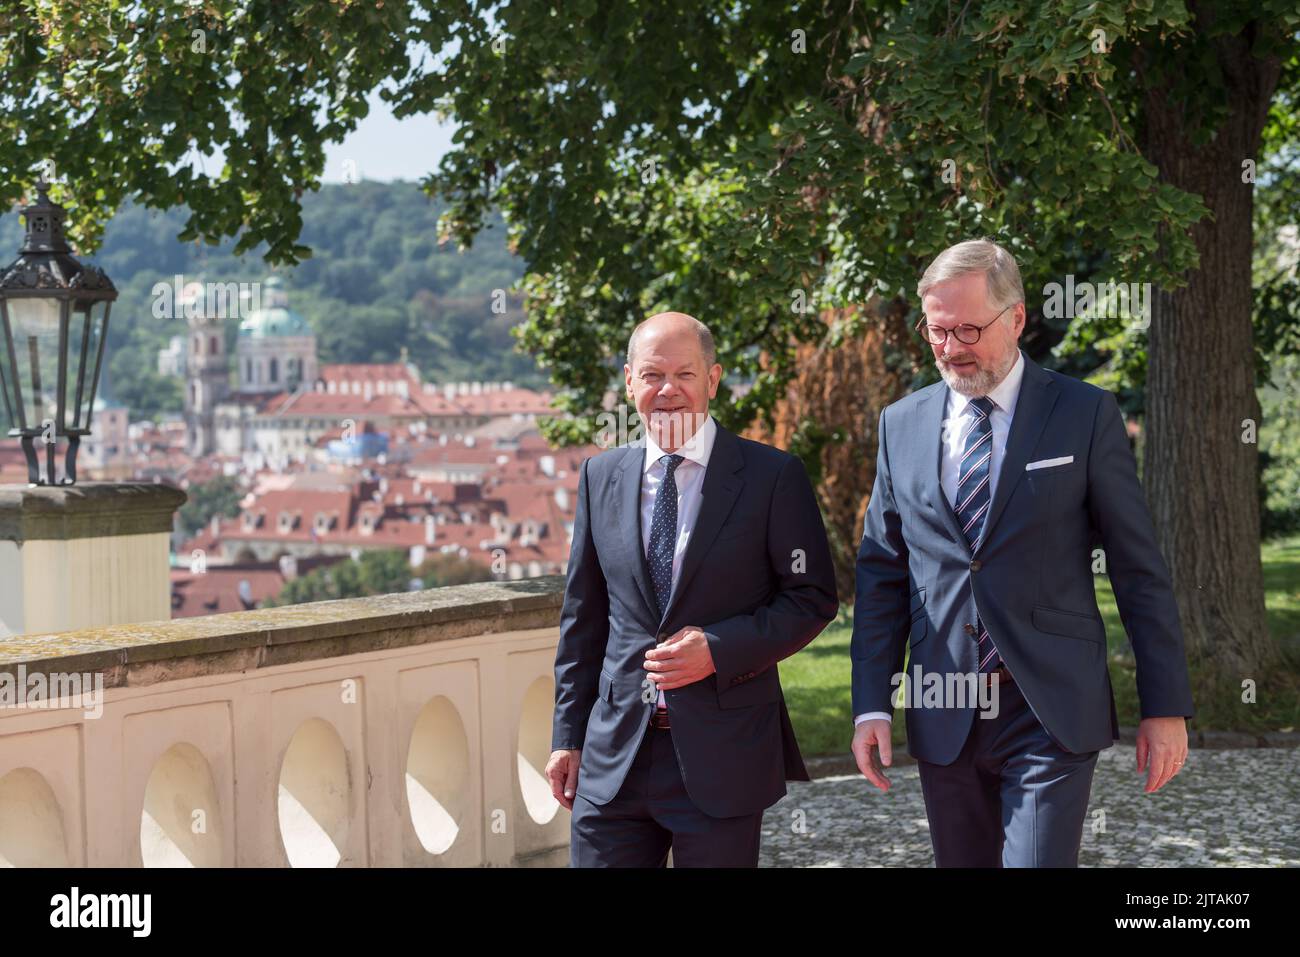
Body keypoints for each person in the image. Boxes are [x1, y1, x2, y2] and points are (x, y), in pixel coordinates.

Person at [851, 239, 1194, 867]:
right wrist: (871, 703)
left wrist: (1165, 704)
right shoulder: (900, 424)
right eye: (937, 332)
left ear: (1015, 319)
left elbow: (1137, 568)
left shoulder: (1084, 413)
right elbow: (881, 573)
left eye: (969, 329)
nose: (952, 349)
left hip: (1048, 704)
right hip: (943, 702)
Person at [547, 311, 838, 867]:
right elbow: (583, 619)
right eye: (653, 375)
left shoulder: (772, 477)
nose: (668, 390)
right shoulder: (599, 475)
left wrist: (718, 650)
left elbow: (812, 598)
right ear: (630, 381)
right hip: (613, 760)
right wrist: (567, 736)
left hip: (721, 756)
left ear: (713, 378)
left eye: (685, 374)